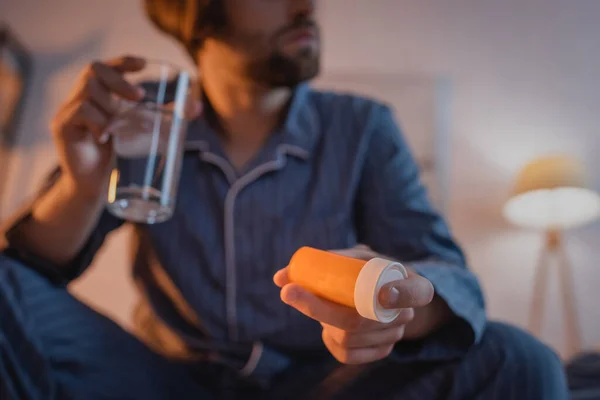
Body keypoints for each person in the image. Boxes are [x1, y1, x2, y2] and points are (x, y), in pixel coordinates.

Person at [0, 0, 568, 399]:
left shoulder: (363, 127)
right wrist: (82, 185)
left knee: (519, 361)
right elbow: (31, 271)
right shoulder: (145, 117)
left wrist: (395, 307)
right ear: (201, 11)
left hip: (324, 383)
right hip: (163, 382)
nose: (306, 5)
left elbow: (446, 274)